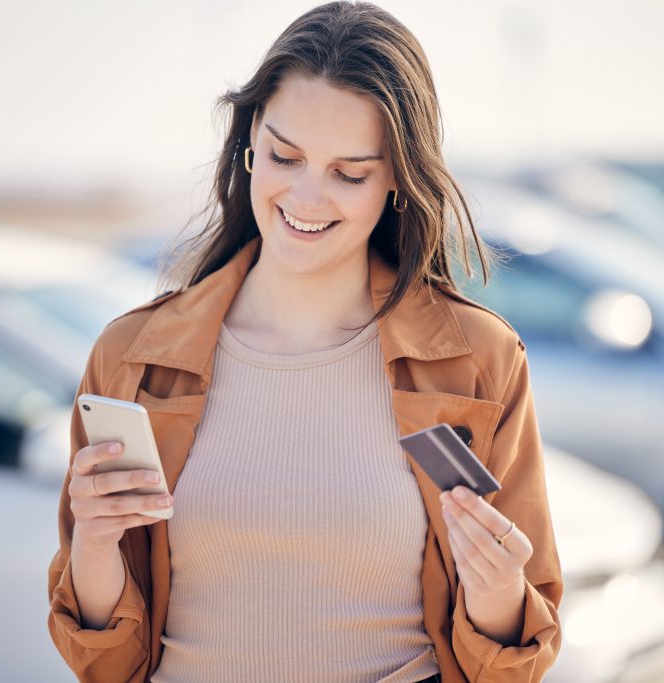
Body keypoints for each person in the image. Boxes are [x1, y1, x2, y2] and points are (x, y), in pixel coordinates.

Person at [47, 2, 562, 682]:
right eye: (285, 156)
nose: (307, 196)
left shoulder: (478, 360)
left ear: (399, 181)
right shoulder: (131, 357)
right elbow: (104, 663)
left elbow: (513, 662)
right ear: (250, 140)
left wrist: (497, 594)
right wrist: (95, 544)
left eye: (350, 173)